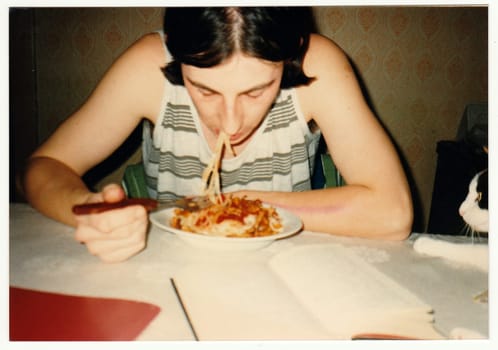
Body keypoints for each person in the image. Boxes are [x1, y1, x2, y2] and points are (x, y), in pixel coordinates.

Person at [22, 7, 413, 263]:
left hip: (290, 277)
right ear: (174, 51)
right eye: (205, 90)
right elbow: (42, 167)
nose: (229, 124)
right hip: (169, 275)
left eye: (256, 91)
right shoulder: (146, 67)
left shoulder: (318, 66)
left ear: (291, 53)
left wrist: (239, 206)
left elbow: (393, 213)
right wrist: (88, 210)